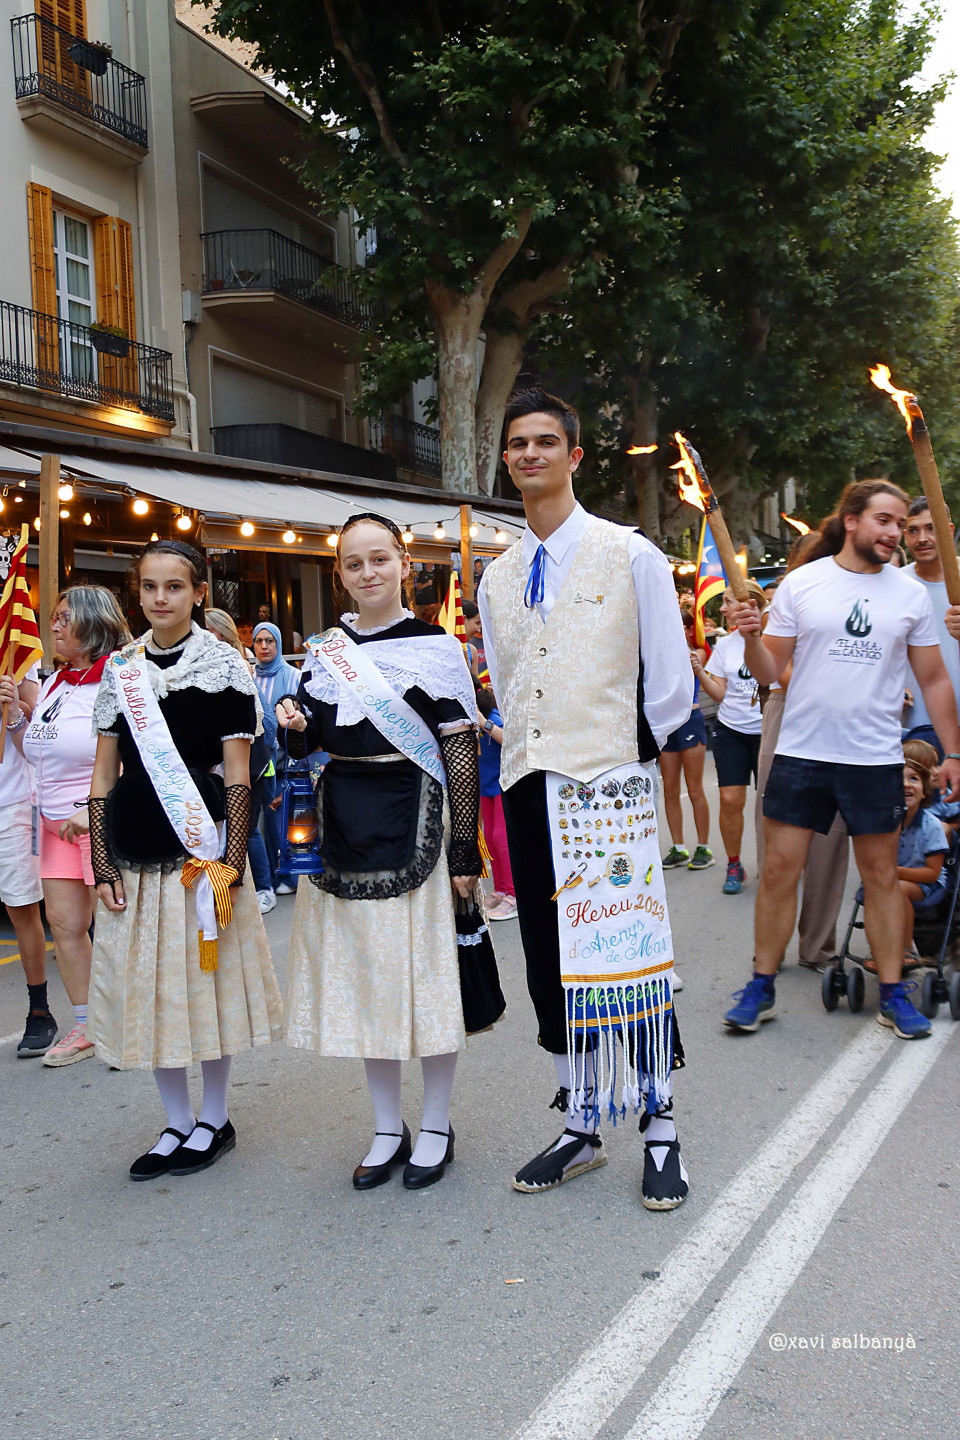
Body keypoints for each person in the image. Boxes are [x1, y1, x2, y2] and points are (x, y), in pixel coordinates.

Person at [478, 387, 693, 1209]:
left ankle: (661, 1126)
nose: (529, 454)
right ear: (507, 461)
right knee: (550, 958)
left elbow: (668, 685)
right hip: (529, 782)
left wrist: (626, 767)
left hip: (607, 789)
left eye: (544, 442)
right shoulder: (497, 575)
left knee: (625, 953)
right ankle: (581, 1122)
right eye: (517, 444)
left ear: (573, 456)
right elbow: (507, 678)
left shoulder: (629, 554)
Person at [278, 514, 482, 1191]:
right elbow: (311, 744)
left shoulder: (436, 647)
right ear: (340, 573)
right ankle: (388, 1127)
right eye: (353, 563)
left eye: (379, 559)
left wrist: (464, 849)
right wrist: (294, 728)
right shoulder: (324, 652)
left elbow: (458, 747)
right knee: (367, 980)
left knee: (426, 980)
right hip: (343, 823)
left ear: (404, 564)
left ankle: (437, 1124)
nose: (367, 573)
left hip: (416, 818)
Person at [723, 480, 960, 1041]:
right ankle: (761, 986)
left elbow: (932, 678)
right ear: (851, 521)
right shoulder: (804, 583)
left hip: (874, 758)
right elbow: (768, 671)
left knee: (880, 877)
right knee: (779, 873)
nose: (894, 532)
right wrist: (751, 637)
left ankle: (893, 995)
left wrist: (953, 752)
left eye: (900, 523)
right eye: (884, 520)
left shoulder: (908, 595)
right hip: (803, 753)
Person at [87, 539, 283, 1179]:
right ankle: (175, 1121)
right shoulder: (121, 670)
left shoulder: (223, 666)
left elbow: (237, 773)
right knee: (151, 991)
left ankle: (215, 1118)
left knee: (205, 986)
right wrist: (102, 862)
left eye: (175, 586)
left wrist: (233, 859)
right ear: (137, 593)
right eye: (149, 587)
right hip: (136, 847)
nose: (161, 598)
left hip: (201, 851)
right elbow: (103, 776)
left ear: (200, 592)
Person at [1, 588, 131, 1067]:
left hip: (99, 823)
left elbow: (136, 760)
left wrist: (96, 807)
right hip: (53, 824)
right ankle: (87, 1024)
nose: (52, 626)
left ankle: (129, 1023)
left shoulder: (120, 679)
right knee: (65, 926)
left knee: (115, 927)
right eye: (52, 618)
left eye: (62, 618)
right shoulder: (57, 681)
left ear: (93, 625)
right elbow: (34, 753)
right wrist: (14, 718)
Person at [755, 532, 850, 972]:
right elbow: (781, 670)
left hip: (840, 722)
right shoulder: (786, 602)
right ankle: (769, 947)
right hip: (789, 713)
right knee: (778, 836)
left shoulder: (851, 603)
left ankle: (818, 946)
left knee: (831, 834)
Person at [694, 581, 769, 894]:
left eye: (727, 602)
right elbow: (720, 694)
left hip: (769, 733)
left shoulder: (776, 637)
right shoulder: (726, 645)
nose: (722, 609)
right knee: (730, 800)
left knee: (770, 804)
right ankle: (734, 863)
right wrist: (700, 672)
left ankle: (774, 863)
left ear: (750, 603)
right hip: (731, 731)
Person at [205, 609, 277, 914]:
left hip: (247, 760)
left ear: (220, 633)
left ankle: (264, 888)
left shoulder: (236, 664)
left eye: (206, 630)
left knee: (246, 829)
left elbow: (262, 724)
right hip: (218, 763)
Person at [0, 660, 53, 1058]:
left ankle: (39, 1011)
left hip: (11, 802)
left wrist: (14, 702)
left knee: (22, 907)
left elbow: (36, 719)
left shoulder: (13, 645)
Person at [901, 497, 960, 760]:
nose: (922, 538)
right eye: (913, 530)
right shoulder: (894, 585)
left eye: (931, 528)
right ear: (905, 536)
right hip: (916, 729)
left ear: (949, 530)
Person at [660, 608, 713, 875]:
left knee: (694, 789)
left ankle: (704, 848)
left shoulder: (698, 652)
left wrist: (680, 640)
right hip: (667, 725)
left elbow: (688, 665)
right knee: (670, 790)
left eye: (681, 626)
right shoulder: (662, 652)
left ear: (691, 630)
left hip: (691, 720)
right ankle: (678, 847)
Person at [251, 621, 301, 902]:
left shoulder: (293, 676)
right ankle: (271, 875)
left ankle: (290, 877)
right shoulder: (250, 677)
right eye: (259, 641)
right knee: (265, 823)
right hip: (261, 761)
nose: (264, 646)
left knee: (284, 820)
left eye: (269, 641)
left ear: (279, 644)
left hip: (287, 761)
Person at [896, 739, 948, 968]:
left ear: (925, 791)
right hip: (891, 879)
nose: (905, 785)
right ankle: (879, 947)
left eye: (914, 779)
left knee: (897, 889)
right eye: (900, 779)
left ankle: (906, 948)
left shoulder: (932, 826)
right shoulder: (887, 822)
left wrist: (895, 872)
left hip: (927, 884)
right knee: (877, 890)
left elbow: (932, 874)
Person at [477, 686, 516, 919]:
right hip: (486, 788)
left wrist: (485, 723)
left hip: (501, 787)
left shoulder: (492, 718)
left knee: (501, 839)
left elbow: (509, 740)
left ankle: (513, 895)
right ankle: (500, 890)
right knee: (490, 839)